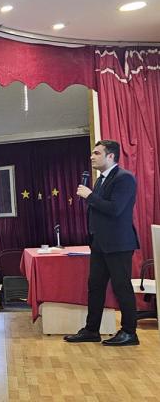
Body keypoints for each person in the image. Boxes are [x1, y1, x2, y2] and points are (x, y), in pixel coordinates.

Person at [66, 139, 140, 347]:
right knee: (95, 287)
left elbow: (115, 209)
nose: (92, 157)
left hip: (118, 244)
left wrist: (90, 196)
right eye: (92, 153)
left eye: (97, 153)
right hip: (99, 243)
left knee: (121, 288)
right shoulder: (101, 180)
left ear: (111, 156)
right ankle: (92, 330)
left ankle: (129, 332)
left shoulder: (124, 178)